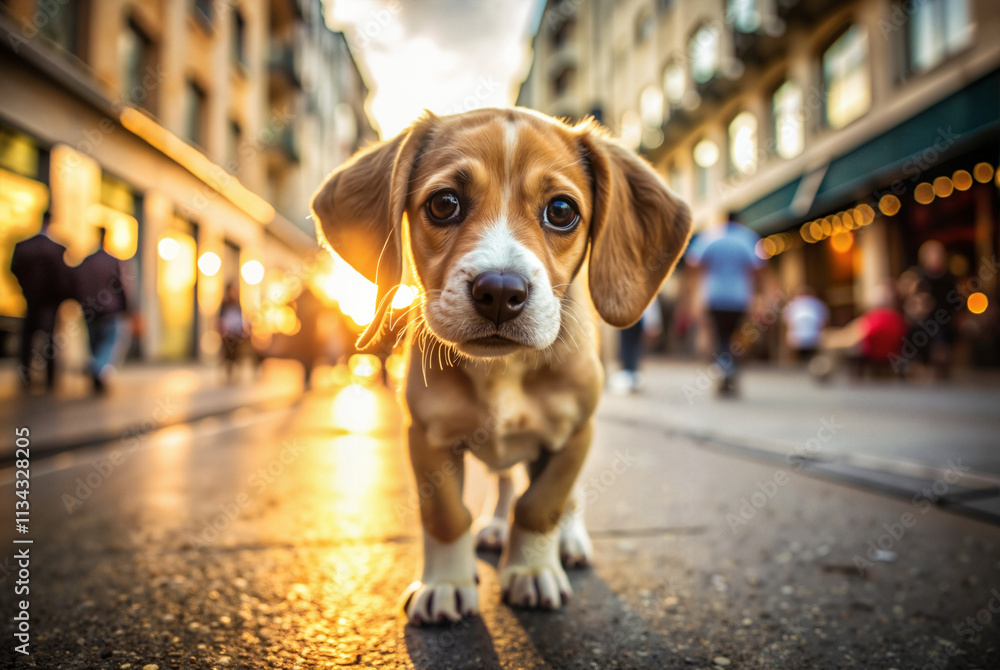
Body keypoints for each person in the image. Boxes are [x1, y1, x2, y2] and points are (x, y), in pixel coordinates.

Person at [686, 213, 764, 396]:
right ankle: (730, 370)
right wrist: (760, 296)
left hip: (714, 296)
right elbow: (758, 267)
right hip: (739, 297)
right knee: (735, 337)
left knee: (720, 337)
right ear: (739, 220)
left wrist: (692, 298)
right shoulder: (747, 237)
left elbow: (693, 263)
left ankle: (723, 368)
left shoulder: (710, 237)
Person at [10, 212, 72, 391]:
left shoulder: (24, 246)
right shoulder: (57, 249)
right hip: (50, 302)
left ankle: (26, 374)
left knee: (28, 337)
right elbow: (63, 277)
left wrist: (25, 288)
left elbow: (14, 268)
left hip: (31, 299)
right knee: (50, 338)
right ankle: (50, 377)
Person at [75, 228, 131, 393]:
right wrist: (126, 307)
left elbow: (78, 284)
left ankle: (97, 369)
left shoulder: (86, 261)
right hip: (110, 310)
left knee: (95, 343)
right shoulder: (112, 260)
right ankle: (97, 367)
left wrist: (82, 303)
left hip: (90, 309)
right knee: (110, 342)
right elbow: (120, 286)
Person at [782, 286, 829, 362]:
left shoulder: (793, 304)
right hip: (814, 338)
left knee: (797, 361)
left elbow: (787, 323)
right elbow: (824, 322)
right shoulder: (818, 304)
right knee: (813, 359)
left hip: (796, 338)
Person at [218, 282, 247, 381]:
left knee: (236, 354)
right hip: (227, 334)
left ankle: (236, 374)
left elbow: (240, 318)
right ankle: (228, 374)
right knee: (227, 355)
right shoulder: (224, 304)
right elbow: (221, 318)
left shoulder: (237, 304)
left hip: (236, 333)